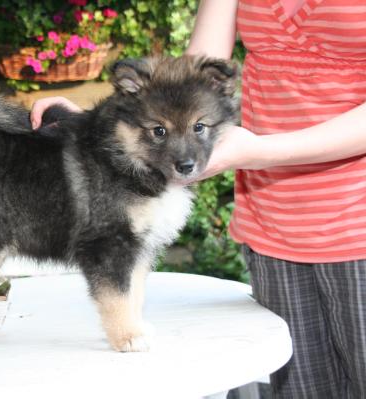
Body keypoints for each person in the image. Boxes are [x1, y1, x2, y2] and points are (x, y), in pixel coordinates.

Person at [30, 1, 366, 398]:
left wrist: (262, 151)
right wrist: (91, 125)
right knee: (302, 390)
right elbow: (192, 82)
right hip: (274, 222)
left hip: (357, 222)